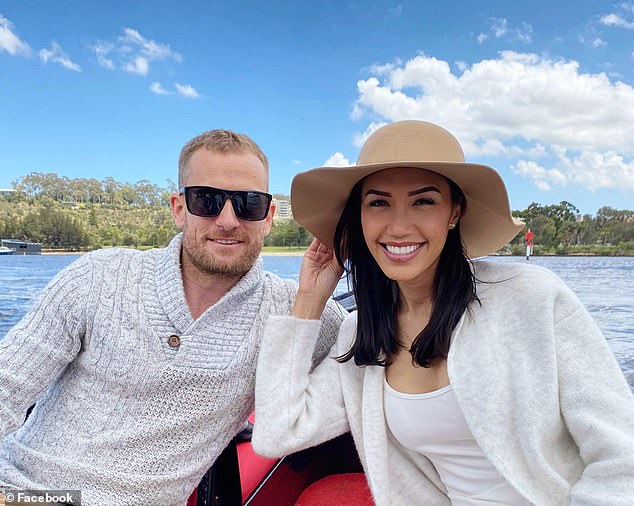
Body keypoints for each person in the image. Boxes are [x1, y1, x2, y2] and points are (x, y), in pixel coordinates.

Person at [253, 120, 634, 505]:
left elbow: (623, 458)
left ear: (454, 212)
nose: (399, 226)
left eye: (424, 201)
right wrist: (309, 300)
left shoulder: (530, 297)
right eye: (379, 203)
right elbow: (278, 432)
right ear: (360, 217)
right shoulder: (363, 334)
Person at [0, 129, 345, 505]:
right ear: (179, 208)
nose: (228, 220)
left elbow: (382, 343)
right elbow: (7, 386)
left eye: (248, 204)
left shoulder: (292, 309)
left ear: (268, 217)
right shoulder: (97, 277)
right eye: (207, 200)